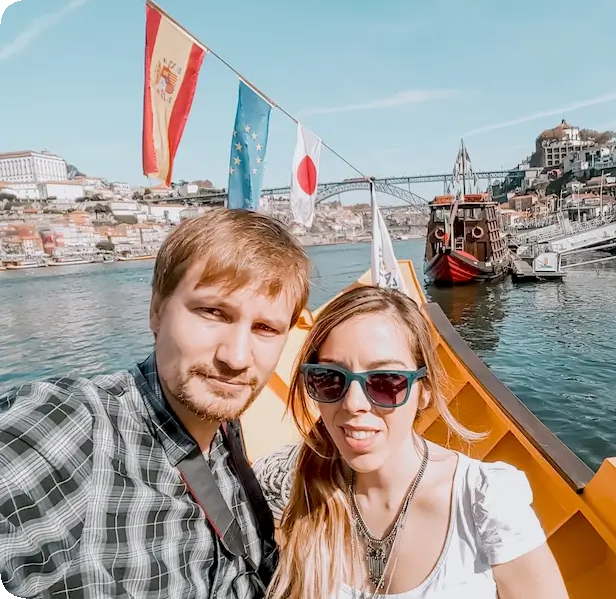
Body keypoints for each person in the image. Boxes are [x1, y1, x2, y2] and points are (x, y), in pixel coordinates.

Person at [0, 209, 311, 598]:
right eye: (213, 312)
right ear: (156, 311)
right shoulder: (73, 429)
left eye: (265, 328)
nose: (236, 357)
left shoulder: (224, 430)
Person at [254, 285, 570, 599]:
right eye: (329, 378)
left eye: (385, 382)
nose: (353, 404)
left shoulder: (484, 502)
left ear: (425, 391)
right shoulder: (300, 488)